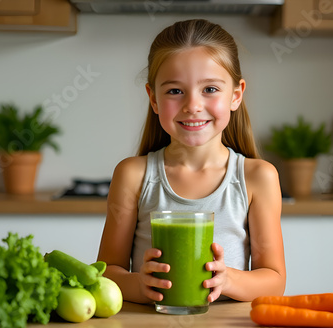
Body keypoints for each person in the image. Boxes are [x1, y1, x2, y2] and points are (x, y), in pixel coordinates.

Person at [97, 19, 285, 304]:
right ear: (154, 98)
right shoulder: (133, 175)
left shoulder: (257, 177)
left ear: (235, 95)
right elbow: (106, 273)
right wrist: (138, 284)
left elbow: (273, 280)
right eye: (175, 91)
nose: (193, 105)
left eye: (210, 89)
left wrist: (229, 279)